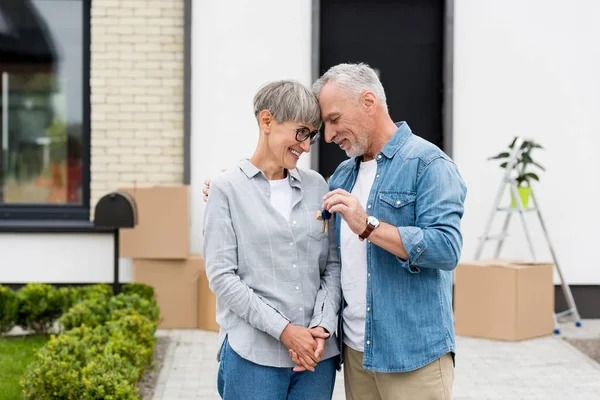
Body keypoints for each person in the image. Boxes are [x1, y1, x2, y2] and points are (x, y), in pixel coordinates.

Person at [303, 62, 467, 400]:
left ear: (368, 101)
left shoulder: (428, 164)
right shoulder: (342, 176)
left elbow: (447, 248)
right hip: (355, 352)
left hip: (413, 357)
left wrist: (369, 226)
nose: (329, 135)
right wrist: (235, 188)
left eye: (334, 120)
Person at [202, 80, 341, 400]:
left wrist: (322, 325)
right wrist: (286, 332)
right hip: (254, 358)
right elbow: (222, 277)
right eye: (301, 133)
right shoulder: (226, 188)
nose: (306, 147)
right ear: (267, 121)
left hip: (315, 359)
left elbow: (332, 265)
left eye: (312, 136)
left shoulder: (317, 186)